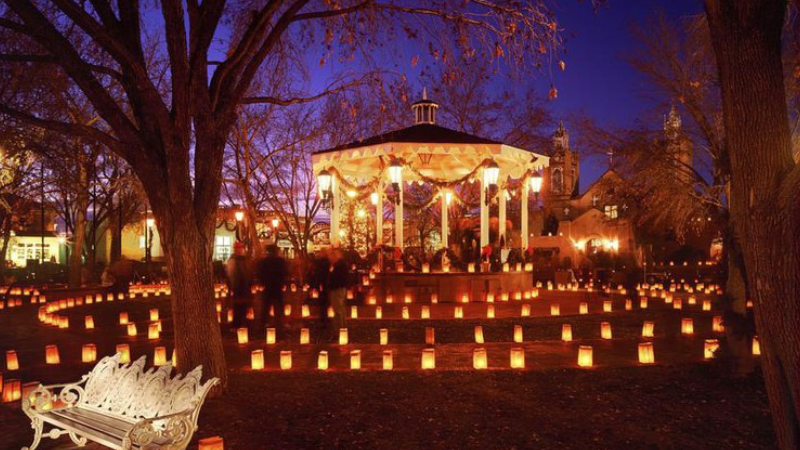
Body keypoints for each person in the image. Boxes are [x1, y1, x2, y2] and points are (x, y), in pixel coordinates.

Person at [257, 244, 288, 336]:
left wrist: (263, 282)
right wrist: (282, 282)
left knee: (265, 307)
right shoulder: (280, 261)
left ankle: (262, 326)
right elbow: (284, 273)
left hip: (268, 287)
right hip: (277, 287)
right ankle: (279, 327)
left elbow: (260, 274)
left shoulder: (264, 262)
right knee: (278, 308)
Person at [226, 241, 252, 329]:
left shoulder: (244, 259)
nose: (240, 250)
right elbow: (231, 273)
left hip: (244, 286)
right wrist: (233, 285)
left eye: (241, 248)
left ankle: (243, 322)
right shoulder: (233, 260)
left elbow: (248, 272)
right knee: (238, 306)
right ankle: (237, 323)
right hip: (238, 286)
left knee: (244, 305)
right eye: (238, 249)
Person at [327, 247, 349, 334]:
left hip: (337, 289)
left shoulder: (338, 265)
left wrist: (330, 284)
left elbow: (335, 278)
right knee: (341, 309)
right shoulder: (341, 264)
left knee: (338, 310)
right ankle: (343, 328)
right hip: (340, 288)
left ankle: (340, 329)